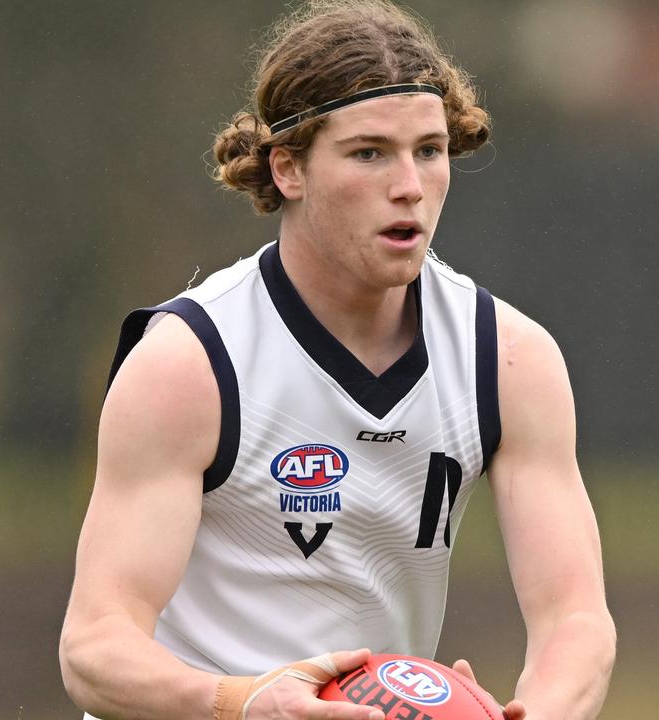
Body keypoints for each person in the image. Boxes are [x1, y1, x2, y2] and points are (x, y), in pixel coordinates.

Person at [59, 2, 616, 719]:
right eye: (369, 153)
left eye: (430, 150)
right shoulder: (191, 363)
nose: (410, 184)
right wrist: (244, 702)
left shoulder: (509, 360)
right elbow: (95, 648)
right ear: (288, 168)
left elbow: (576, 618)